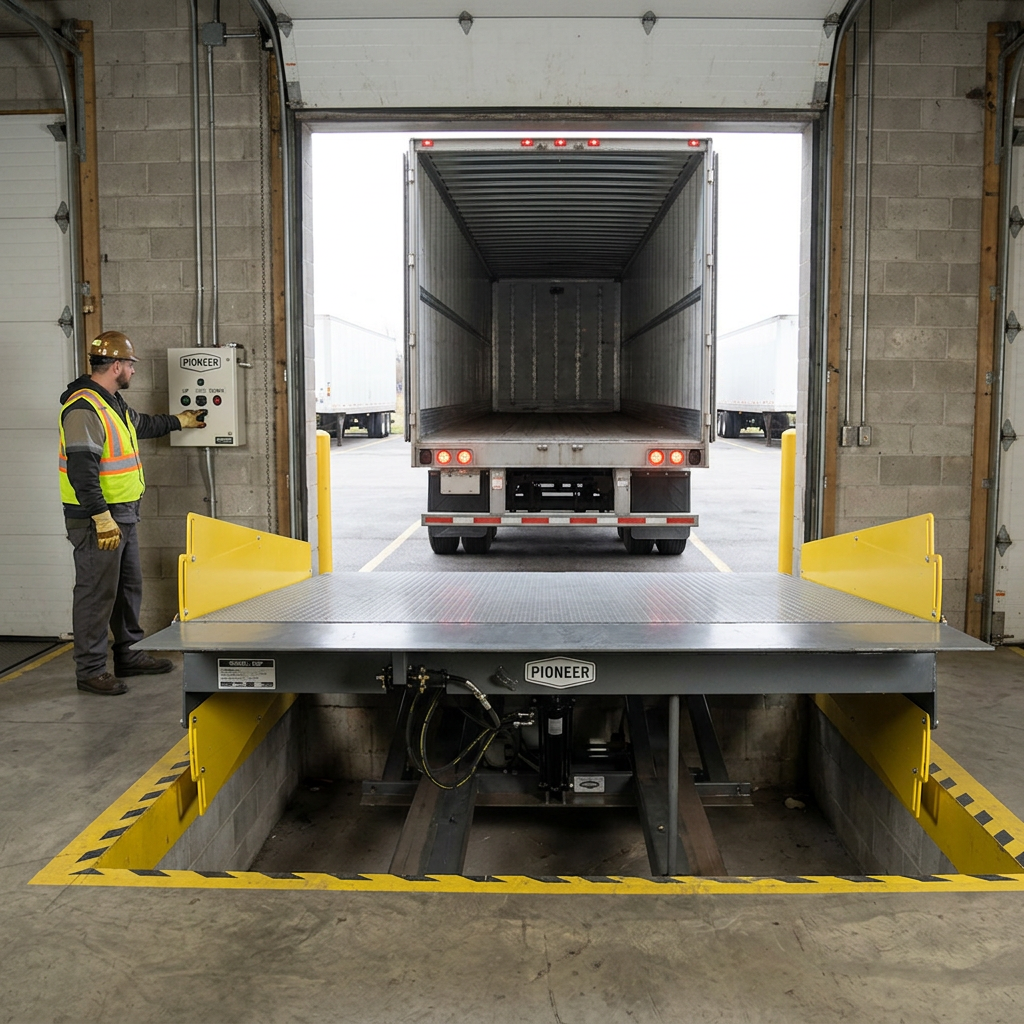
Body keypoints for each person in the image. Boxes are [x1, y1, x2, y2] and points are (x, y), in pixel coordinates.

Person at [59, 330, 207, 695]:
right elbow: (81, 469)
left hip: (123, 514)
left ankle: (128, 653)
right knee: (96, 594)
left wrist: (181, 420)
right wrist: (100, 517)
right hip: (98, 520)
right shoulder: (84, 408)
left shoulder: (111, 403)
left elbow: (142, 425)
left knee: (127, 589)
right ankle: (90, 670)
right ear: (116, 366)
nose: (133, 370)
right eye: (130, 364)